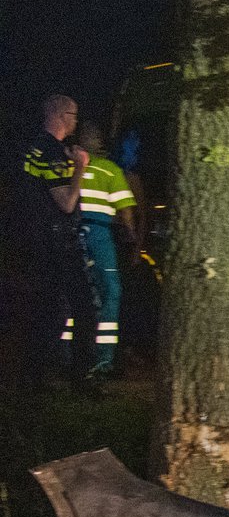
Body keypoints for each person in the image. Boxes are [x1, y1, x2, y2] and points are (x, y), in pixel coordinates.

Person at [2, 94, 97, 390]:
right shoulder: (53, 152)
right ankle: (82, 378)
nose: (76, 122)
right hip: (58, 245)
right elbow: (67, 203)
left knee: (45, 312)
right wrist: (80, 167)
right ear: (60, 115)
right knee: (84, 307)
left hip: (35, 242)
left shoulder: (33, 149)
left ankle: (32, 380)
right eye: (74, 115)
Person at [75, 121, 137, 375]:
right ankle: (104, 359)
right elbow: (125, 209)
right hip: (100, 234)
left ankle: (70, 356)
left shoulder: (71, 165)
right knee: (111, 291)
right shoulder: (111, 170)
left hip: (74, 234)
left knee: (77, 293)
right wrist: (131, 236)